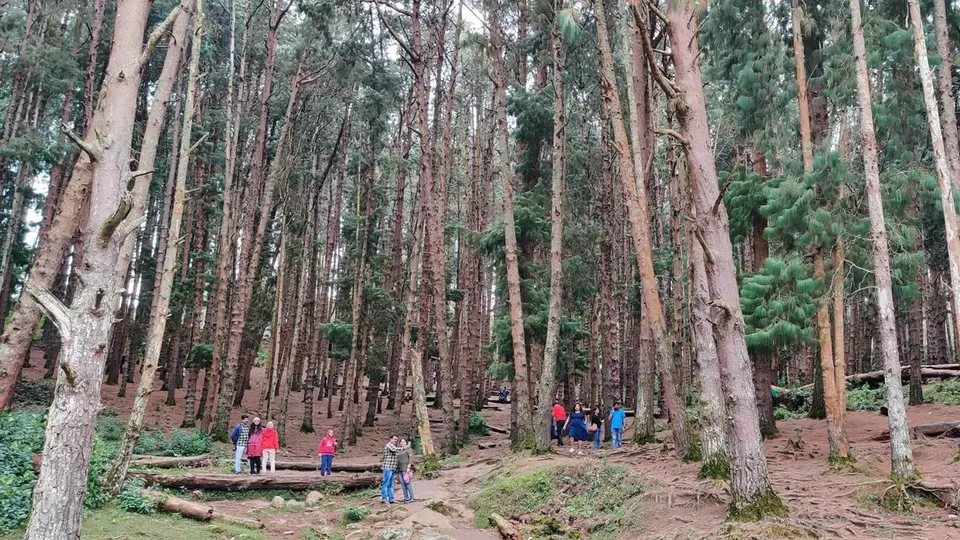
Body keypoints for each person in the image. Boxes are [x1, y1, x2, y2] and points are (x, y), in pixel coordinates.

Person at [380, 435, 401, 504]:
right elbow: (395, 450)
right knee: (386, 483)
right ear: (391, 439)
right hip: (387, 467)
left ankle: (391, 499)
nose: (396, 441)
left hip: (392, 468)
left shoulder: (394, 446)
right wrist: (405, 447)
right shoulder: (389, 445)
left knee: (391, 484)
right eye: (394, 439)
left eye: (396, 439)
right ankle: (384, 498)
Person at [397, 438, 415, 503]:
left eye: (404, 441)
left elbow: (411, 458)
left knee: (407, 483)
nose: (402, 443)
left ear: (406, 442)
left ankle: (412, 497)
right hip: (399, 469)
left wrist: (409, 467)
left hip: (406, 469)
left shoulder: (408, 449)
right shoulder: (399, 450)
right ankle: (406, 497)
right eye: (401, 442)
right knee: (402, 484)